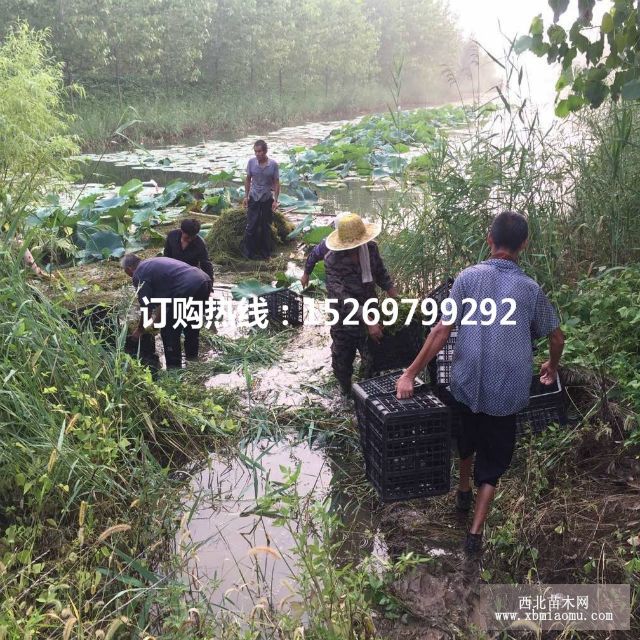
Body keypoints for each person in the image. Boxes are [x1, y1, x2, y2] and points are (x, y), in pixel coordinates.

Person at [396, 211, 564, 555]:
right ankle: (474, 534)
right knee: (494, 461)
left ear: (490, 239)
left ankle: (462, 491)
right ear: (524, 245)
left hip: (467, 379)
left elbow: (441, 330)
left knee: (468, 436)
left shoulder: (468, 279)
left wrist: (410, 373)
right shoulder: (530, 289)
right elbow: (556, 337)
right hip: (509, 386)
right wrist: (552, 364)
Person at [324, 214, 398, 395]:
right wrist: (367, 319)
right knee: (342, 361)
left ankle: (367, 395)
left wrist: (395, 295)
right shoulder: (332, 260)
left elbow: (381, 273)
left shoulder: (371, 248)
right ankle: (346, 393)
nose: (356, 249)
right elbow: (341, 296)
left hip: (370, 307)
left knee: (373, 359)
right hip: (345, 317)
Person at [121, 255, 212, 369]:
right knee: (191, 324)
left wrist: (139, 330)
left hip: (187, 286)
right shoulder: (151, 264)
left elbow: (146, 306)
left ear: (129, 268)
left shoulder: (139, 274)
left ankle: (174, 368)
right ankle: (193, 361)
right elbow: (163, 302)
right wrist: (155, 323)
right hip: (203, 280)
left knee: (169, 330)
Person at [241, 139, 280, 260]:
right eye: (255, 151)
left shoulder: (273, 165)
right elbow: (248, 179)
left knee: (265, 226)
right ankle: (249, 253)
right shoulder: (251, 162)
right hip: (254, 196)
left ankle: (265, 253)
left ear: (265, 151)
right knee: (251, 225)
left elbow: (276, 183)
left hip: (266, 198)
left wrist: (275, 200)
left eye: (260, 151)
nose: (257, 154)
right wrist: (246, 196)